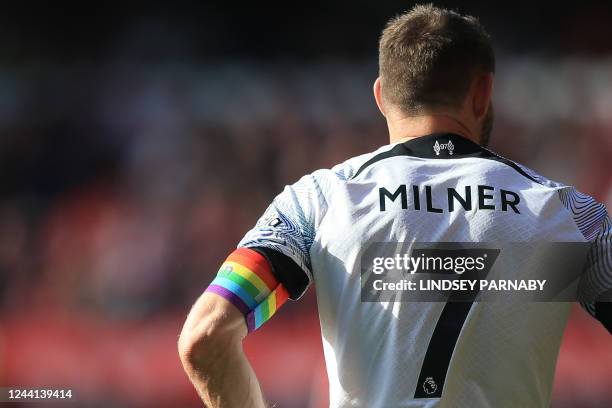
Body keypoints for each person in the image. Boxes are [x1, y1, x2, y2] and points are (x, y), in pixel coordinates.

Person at [178, 5, 611, 407]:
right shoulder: (569, 215)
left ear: (382, 96)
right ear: (483, 92)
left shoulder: (320, 201)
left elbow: (205, 336)